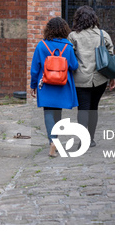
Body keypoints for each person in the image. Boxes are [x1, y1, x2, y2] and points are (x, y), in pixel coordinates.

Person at [68, 5, 115, 148]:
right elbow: (111, 57)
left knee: (83, 108)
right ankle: (91, 139)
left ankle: (82, 140)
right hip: (100, 78)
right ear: (94, 18)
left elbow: (69, 57)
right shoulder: (103, 34)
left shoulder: (73, 36)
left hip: (80, 78)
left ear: (78, 19)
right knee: (93, 108)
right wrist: (112, 78)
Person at [30, 17, 79, 157]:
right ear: (64, 30)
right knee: (58, 112)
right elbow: (74, 66)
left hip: (45, 84)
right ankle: (55, 140)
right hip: (62, 85)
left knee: (48, 112)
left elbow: (34, 69)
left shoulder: (41, 46)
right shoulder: (68, 46)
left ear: (48, 30)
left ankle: (52, 141)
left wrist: (33, 85)